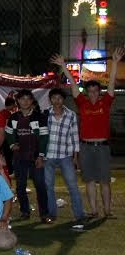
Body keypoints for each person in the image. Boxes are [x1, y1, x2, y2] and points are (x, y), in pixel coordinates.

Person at [52, 49, 120, 218]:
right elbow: (73, 85)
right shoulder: (82, 103)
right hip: (86, 147)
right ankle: (94, 211)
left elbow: (112, 84)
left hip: (102, 147)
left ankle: (107, 211)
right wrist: (63, 66)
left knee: (104, 181)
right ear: (87, 92)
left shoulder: (106, 102)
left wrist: (115, 63)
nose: (93, 93)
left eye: (96, 90)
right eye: (90, 91)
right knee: (89, 180)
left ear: (99, 92)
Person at [40, 88, 86, 223]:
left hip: (65, 155)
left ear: (63, 100)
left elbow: (74, 136)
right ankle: (52, 213)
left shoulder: (71, 115)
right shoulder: (44, 114)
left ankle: (79, 215)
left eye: (59, 98)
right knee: (48, 186)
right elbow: (40, 136)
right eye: (54, 98)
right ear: (50, 99)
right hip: (48, 155)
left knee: (72, 186)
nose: (57, 101)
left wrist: (75, 157)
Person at [4, 89, 49, 222]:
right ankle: (25, 211)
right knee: (20, 186)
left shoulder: (40, 117)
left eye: (28, 99)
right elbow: (8, 133)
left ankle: (44, 214)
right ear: (18, 101)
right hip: (19, 157)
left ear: (32, 101)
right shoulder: (13, 117)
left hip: (36, 157)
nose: (25, 102)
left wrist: (41, 156)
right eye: (22, 99)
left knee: (40, 185)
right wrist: (12, 145)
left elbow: (44, 137)